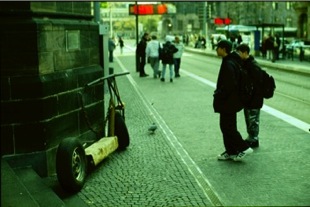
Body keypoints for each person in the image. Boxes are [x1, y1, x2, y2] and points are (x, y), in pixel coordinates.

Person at [213, 40, 253, 161]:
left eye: (218, 48)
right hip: (230, 101)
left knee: (228, 127)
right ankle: (231, 151)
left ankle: (244, 148)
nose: (216, 50)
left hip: (228, 102)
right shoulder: (230, 61)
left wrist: (218, 94)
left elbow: (230, 84)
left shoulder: (229, 63)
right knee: (226, 126)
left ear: (223, 49)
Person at [236, 44, 264, 148]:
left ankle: (254, 139)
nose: (238, 55)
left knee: (253, 120)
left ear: (245, 53)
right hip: (249, 98)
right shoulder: (246, 63)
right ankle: (251, 137)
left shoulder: (252, 65)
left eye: (239, 53)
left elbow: (255, 83)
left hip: (254, 98)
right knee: (249, 119)